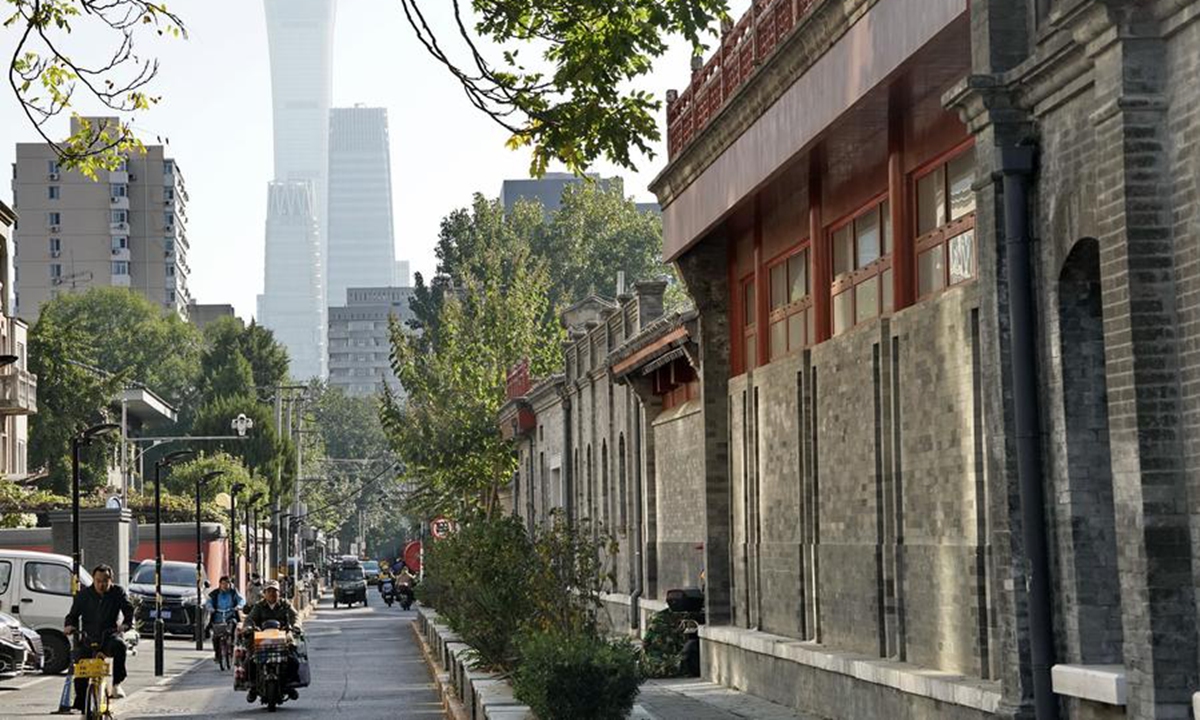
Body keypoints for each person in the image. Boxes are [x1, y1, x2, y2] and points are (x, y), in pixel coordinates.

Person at [63, 564, 135, 706]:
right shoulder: (83, 595)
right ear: (93, 580)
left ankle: (116, 684)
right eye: (98, 581)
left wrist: (126, 624)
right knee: (80, 663)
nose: (101, 584)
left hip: (109, 636)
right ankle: (81, 700)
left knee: (120, 646)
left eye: (105, 581)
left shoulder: (117, 592)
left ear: (111, 580)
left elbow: (128, 610)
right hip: (88, 637)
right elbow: (72, 615)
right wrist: (69, 626)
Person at [242, 580, 303, 702]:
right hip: (262, 640)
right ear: (264, 593)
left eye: (274, 591)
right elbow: (249, 619)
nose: (272, 594)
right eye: (269, 591)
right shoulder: (259, 606)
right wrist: (248, 628)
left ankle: (289, 685)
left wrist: (295, 626)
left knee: (293, 660)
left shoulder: (285, 605)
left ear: (279, 593)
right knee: (249, 662)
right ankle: (253, 688)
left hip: (282, 640)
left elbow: (295, 616)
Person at [204, 576, 245, 664]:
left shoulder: (234, 593)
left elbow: (241, 600)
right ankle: (217, 655)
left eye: (227, 583)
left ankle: (233, 645)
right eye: (223, 583)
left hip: (230, 616)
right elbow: (208, 602)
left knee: (233, 626)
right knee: (215, 637)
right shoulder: (214, 594)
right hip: (218, 617)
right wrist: (210, 608)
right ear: (220, 584)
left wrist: (238, 606)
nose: (225, 585)